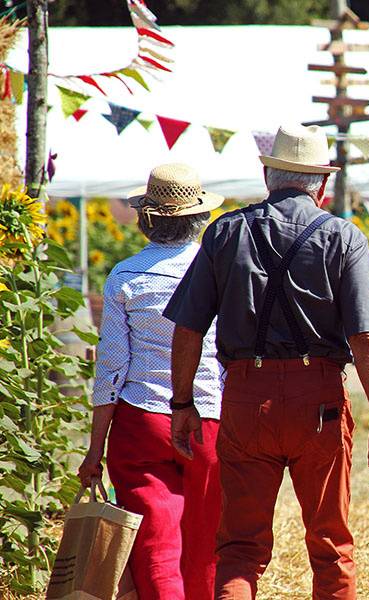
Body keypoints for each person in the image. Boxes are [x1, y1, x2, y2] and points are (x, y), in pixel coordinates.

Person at [162, 124, 369, 600]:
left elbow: (187, 327)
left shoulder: (224, 231)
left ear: (268, 176)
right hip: (319, 400)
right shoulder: (343, 237)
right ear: (322, 184)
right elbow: (366, 337)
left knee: (240, 549)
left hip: (247, 398)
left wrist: (182, 403)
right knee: (331, 544)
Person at [77, 163, 225, 600]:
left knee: (156, 546)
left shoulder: (126, 275)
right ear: (200, 219)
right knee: (207, 543)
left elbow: (111, 369)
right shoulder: (220, 272)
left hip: (140, 421)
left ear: (146, 219)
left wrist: (94, 449)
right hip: (209, 419)